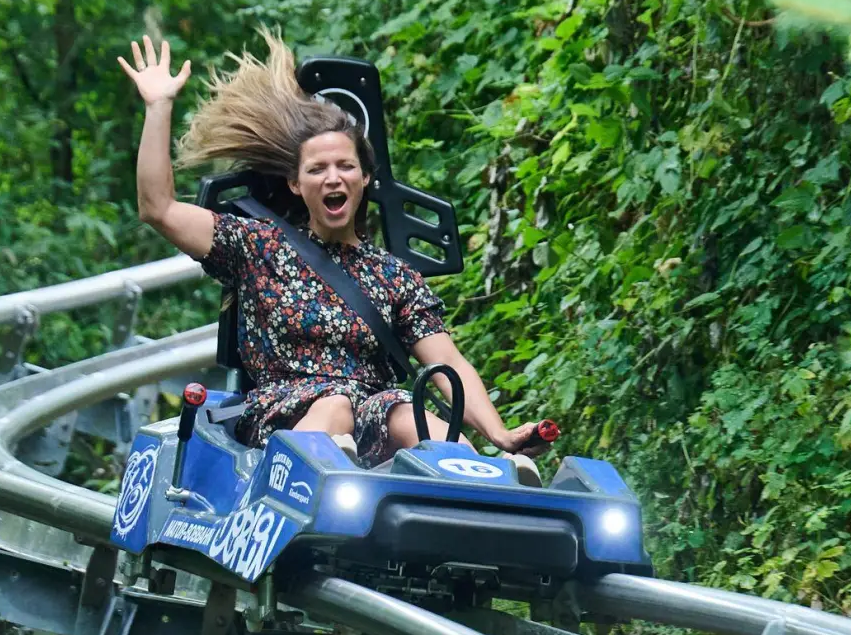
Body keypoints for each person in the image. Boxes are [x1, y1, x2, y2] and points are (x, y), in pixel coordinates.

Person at [118, 30, 547, 480]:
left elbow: (448, 363)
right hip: (289, 413)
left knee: (407, 413)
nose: (332, 178)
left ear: (364, 178)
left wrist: (499, 434)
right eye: (317, 169)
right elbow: (159, 208)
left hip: (375, 413)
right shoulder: (258, 246)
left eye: (345, 166)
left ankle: (484, 479)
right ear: (295, 184)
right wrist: (158, 105)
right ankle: (319, 477)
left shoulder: (393, 277)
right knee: (336, 405)